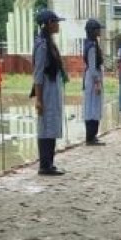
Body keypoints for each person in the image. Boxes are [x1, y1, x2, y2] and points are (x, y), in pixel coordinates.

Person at [32, 9, 67, 175]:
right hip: (45, 89)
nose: (58, 25)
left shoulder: (49, 42)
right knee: (46, 124)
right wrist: (39, 99)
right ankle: (44, 165)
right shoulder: (42, 44)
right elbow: (38, 73)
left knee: (51, 124)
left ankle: (49, 163)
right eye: (56, 22)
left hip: (52, 88)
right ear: (48, 24)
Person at [82, 18, 106, 146]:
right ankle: (90, 136)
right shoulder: (91, 46)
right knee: (91, 107)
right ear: (92, 31)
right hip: (93, 78)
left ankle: (93, 135)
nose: (99, 31)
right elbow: (92, 66)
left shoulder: (93, 43)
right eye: (97, 29)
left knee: (95, 106)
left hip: (94, 77)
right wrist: (97, 82)